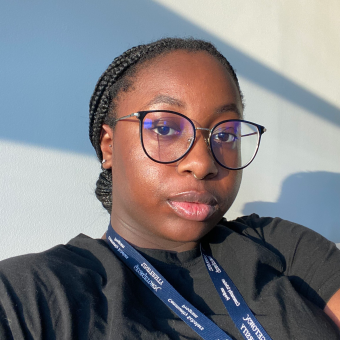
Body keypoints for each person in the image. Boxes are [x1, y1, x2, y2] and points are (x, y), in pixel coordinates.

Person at [0, 38, 339, 340]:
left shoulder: (281, 247)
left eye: (225, 135)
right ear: (109, 146)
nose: (203, 163)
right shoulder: (30, 294)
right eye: (164, 128)